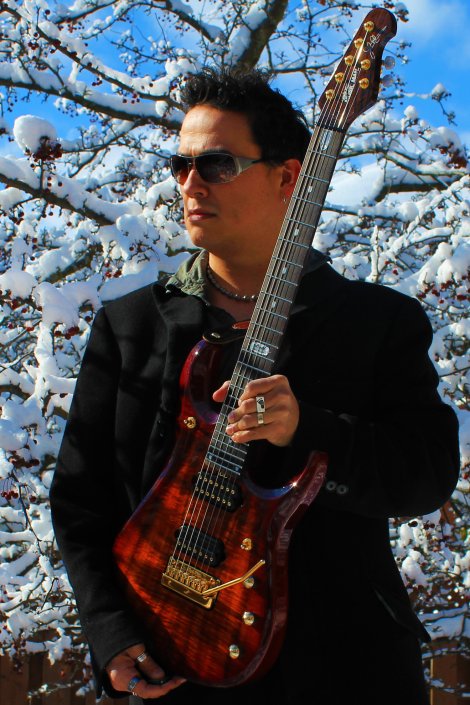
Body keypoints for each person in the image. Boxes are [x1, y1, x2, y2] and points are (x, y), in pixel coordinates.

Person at [50, 69, 460, 705]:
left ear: (288, 177)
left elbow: (426, 476)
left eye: (216, 164)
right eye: (181, 165)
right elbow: (82, 499)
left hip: (345, 672)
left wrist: (309, 429)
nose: (191, 184)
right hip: (172, 666)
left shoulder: (378, 323)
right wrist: (110, 633)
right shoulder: (130, 328)